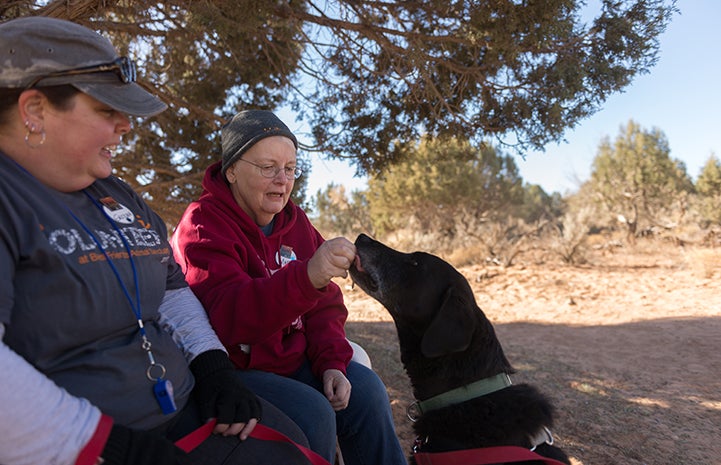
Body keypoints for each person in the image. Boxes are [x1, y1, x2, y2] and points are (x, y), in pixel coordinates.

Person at [0, 17, 312, 465]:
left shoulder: (116, 191)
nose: (126, 125)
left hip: (183, 405)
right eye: (107, 110)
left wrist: (211, 366)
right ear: (34, 110)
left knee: (300, 442)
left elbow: (169, 287)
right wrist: (108, 446)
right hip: (84, 440)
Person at [171, 110, 407, 465]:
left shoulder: (295, 223)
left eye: (290, 168)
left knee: (368, 391)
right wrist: (307, 276)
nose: (282, 180)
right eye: (268, 167)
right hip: (234, 370)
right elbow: (228, 317)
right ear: (232, 169)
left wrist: (331, 362)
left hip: (293, 360)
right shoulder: (203, 225)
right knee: (313, 412)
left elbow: (325, 305)